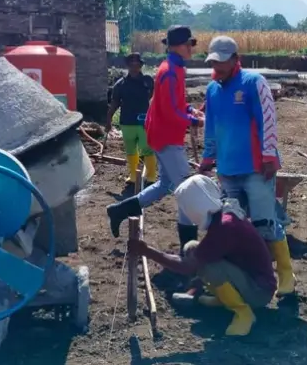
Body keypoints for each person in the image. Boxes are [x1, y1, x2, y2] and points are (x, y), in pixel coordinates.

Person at [198, 36, 296, 296]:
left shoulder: (254, 83)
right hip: (227, 171)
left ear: (234, 59)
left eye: (221, 61)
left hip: (255, 168)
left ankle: (286, 274)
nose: (216, 67)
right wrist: (208, 159)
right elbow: (211, 128)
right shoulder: (212, 90)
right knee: (231, 225)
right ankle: (242, 276)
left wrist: (268, 156)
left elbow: (268, 120)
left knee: (265, 222)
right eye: (213, 61)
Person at [128, 175, 276, 336]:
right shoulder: (225, 213)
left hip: (259, 291)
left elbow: (187, 266)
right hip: (252, 278)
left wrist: (146, 251)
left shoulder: (224, 228)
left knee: (207, 266)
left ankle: (243, 312)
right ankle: (223, 298)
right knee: (192, 249)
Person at [106, 25, 203, 252]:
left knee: (165, 184)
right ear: (178, 46)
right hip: (166, 136)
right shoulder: (169, 71)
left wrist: (190, 110)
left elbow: (174, 104)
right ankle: (187, 250)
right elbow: (170, 111)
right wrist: (195, 121)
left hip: (163, 134)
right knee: (186, 191)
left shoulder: (175, 68)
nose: (191, 48)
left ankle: (119, 210)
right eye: (189, 44)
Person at [105, 53, 157, 191]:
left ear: (141, 65)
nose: (135, 66)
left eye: (137, 63)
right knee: (130, 150)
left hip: (144, 121)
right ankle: (133, 175)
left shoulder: (148, 81)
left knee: (147, 148)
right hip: (127, 122)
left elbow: (151, 96)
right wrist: (109, 119)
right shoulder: (120, 85)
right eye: (131, 63)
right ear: (127, 65)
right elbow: (115, 102)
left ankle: (151, 176)